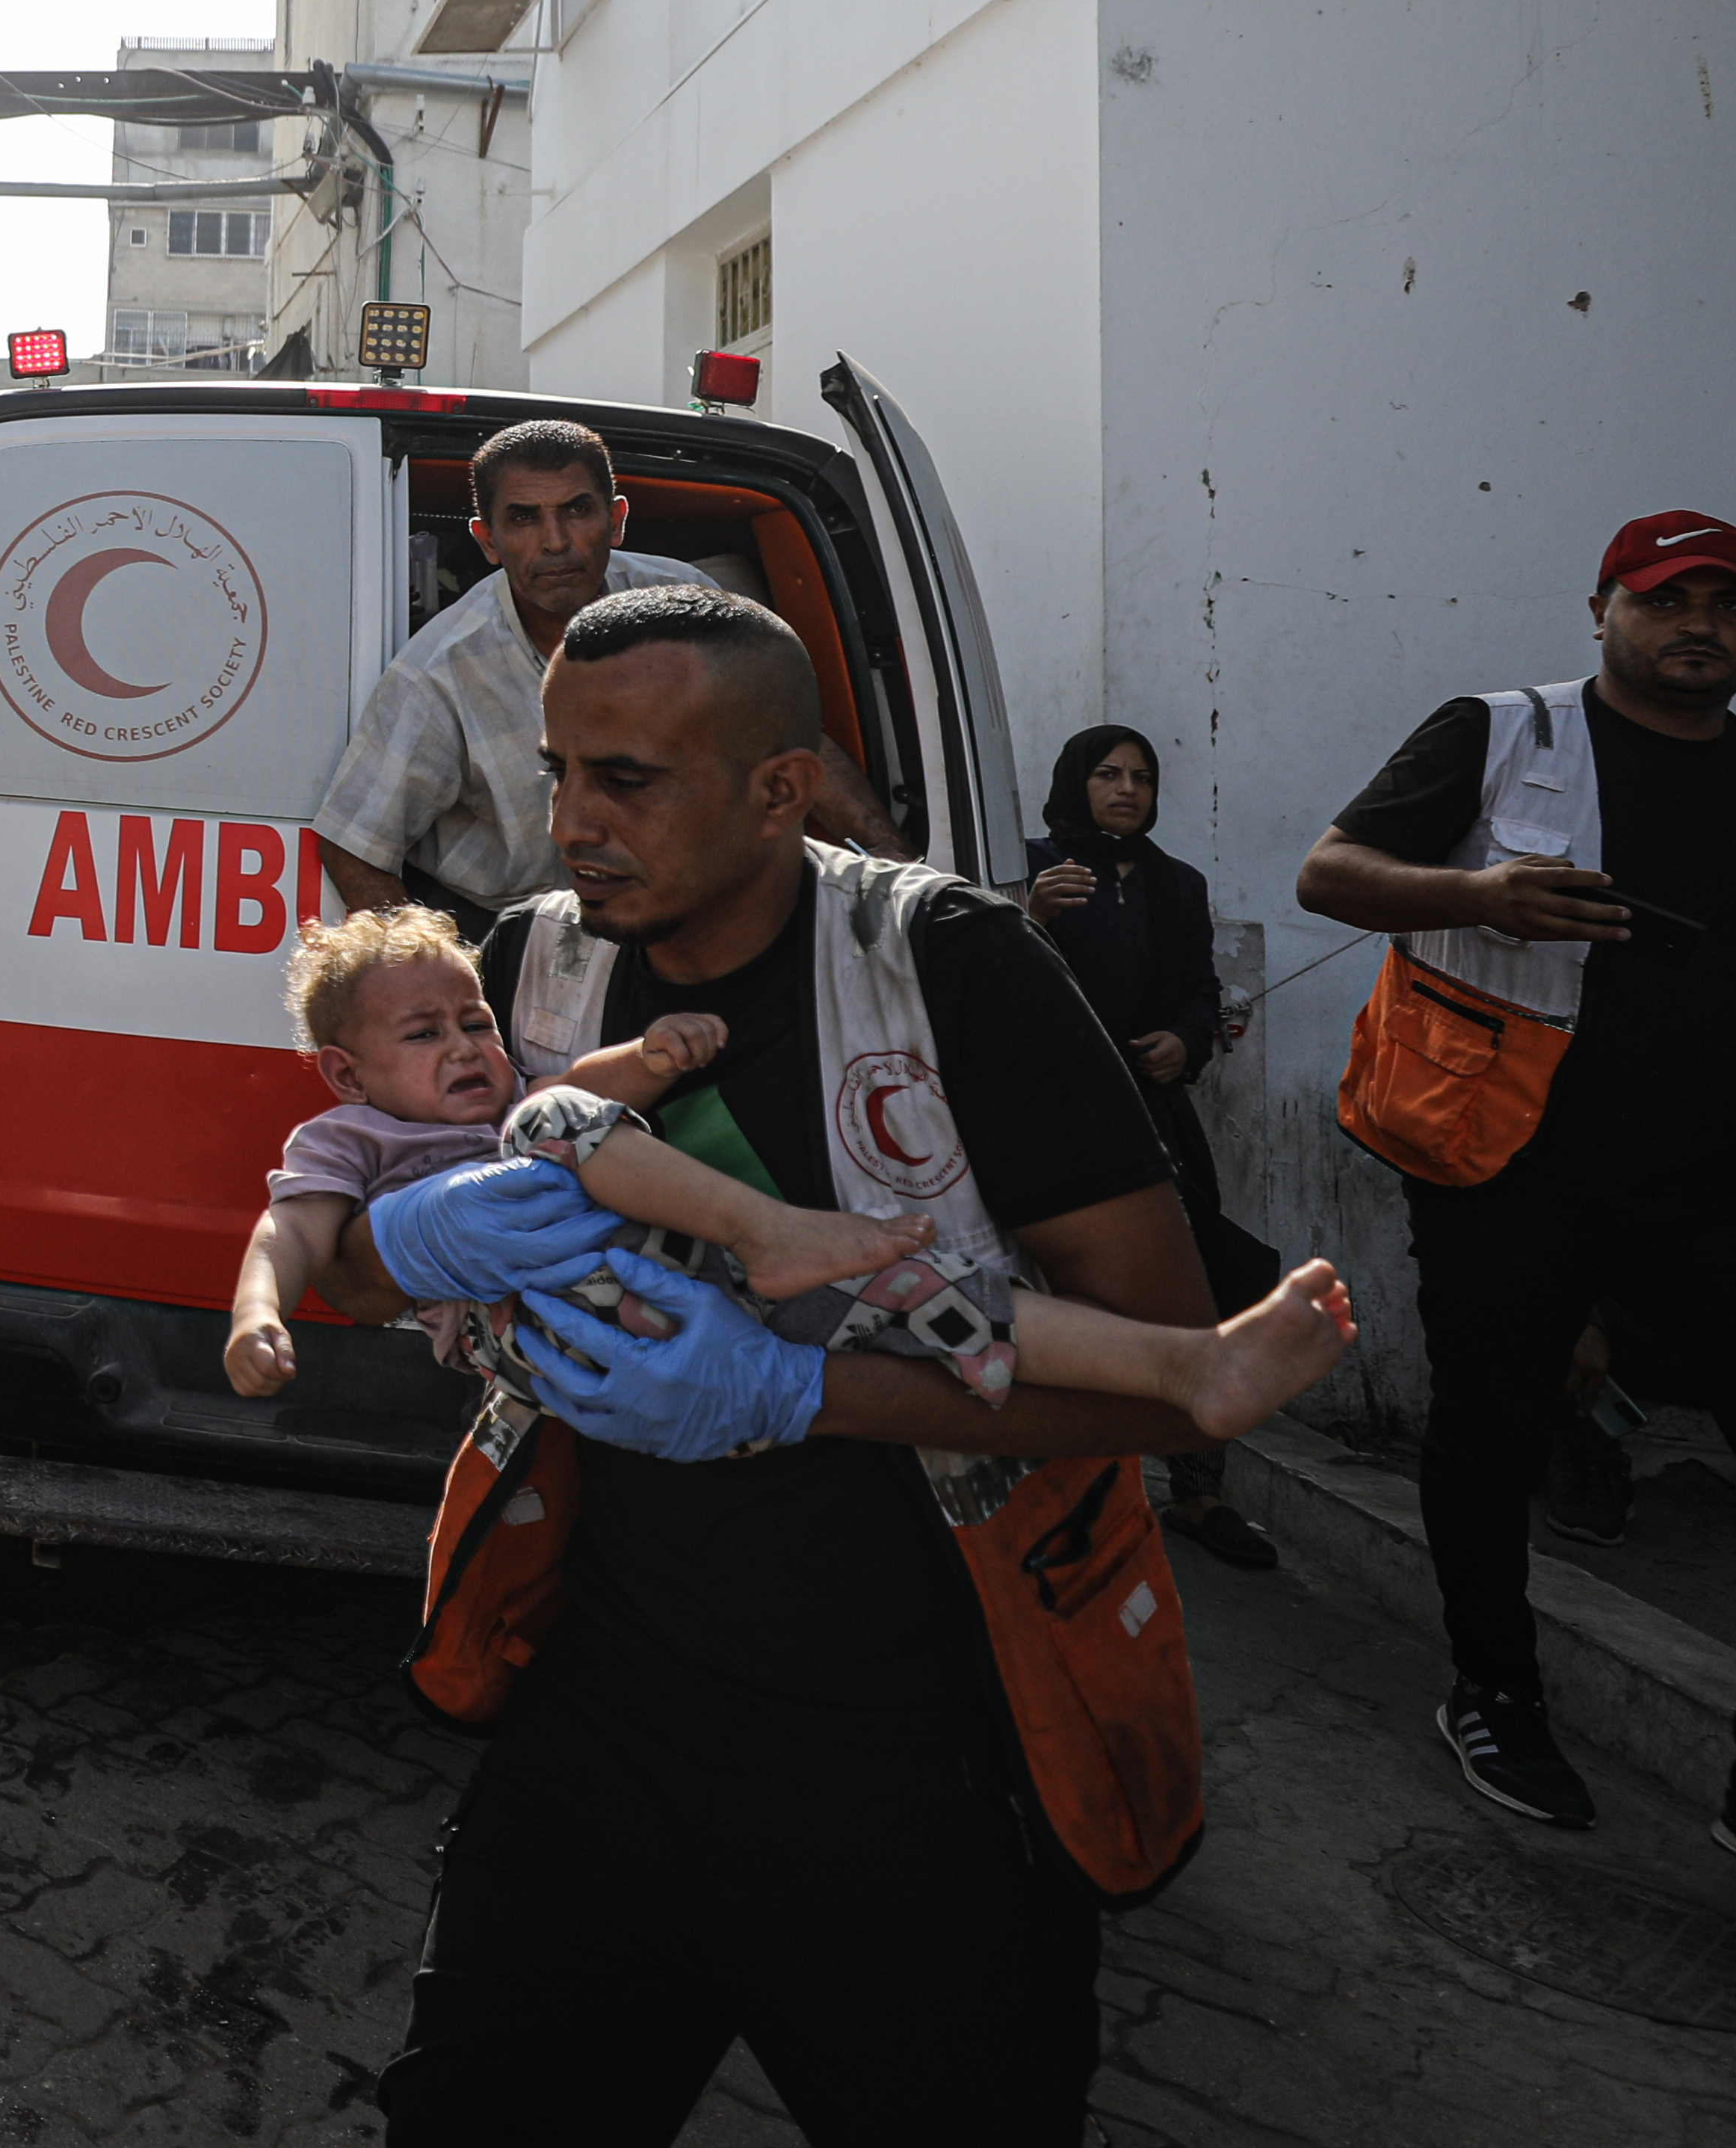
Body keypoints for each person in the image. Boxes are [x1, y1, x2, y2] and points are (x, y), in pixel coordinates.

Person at [315, 587, 1236, 2146]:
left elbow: (1172, 1373)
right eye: (556, 772)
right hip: (599, 1734)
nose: (572, 822)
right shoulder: (533, 963)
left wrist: (800, 1391)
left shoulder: (947, 966)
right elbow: (335, 1265)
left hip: (924, 1772)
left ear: (777, 787)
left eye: (629, 778)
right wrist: (408, 1245)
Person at [1299, 509, 1736, 1951]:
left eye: (1727, 602)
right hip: (1504, 1162)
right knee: (1491, 1431)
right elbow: (1326, 873)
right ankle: (1494, 1690)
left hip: (1717, 1189)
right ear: (1601, 609)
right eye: (1664, 600)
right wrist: (1474, 894)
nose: (1695, 625)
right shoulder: (1499, 735)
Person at [224, 904, 1357, 1447]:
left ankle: (1190, 1365)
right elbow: (292, 1240)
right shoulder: (352, 1145)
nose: (468, 1046)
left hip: (694, 1284)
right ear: (345, 1072)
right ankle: (772, 1231)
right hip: (540, 1334)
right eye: (424, 1035)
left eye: (473, 1017)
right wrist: (261, 1319)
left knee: (929, 1293)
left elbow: (588, 1093)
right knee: (555, 1113)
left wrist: (647, 1060)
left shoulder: (520, 1085)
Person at [313, 419, 890, 935]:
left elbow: (790, 736)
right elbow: (355, 846)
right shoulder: (439, 672)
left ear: (615, 521)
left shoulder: (687, 603)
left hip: (691, 912)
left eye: (576, 510)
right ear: (487, 541)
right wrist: (446, 992)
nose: (555, 541)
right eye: (523, 518)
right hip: (521, 926)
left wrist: (896, 870)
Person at [1022, 723, 1285, 1570]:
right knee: (1055, 1287)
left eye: (1140, 775)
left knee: (1193, 1278)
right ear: (1076, 781)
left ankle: (1197, 1489)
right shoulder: (1031, 866)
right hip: (1056, 1109)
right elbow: (984, 979)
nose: (1126, 788)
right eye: (1106, 773)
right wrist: (1027, 914)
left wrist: (1185, 1038)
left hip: (1153, 1110)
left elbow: (1200, 991)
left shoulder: (1177, 884)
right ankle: (1064, 1481)